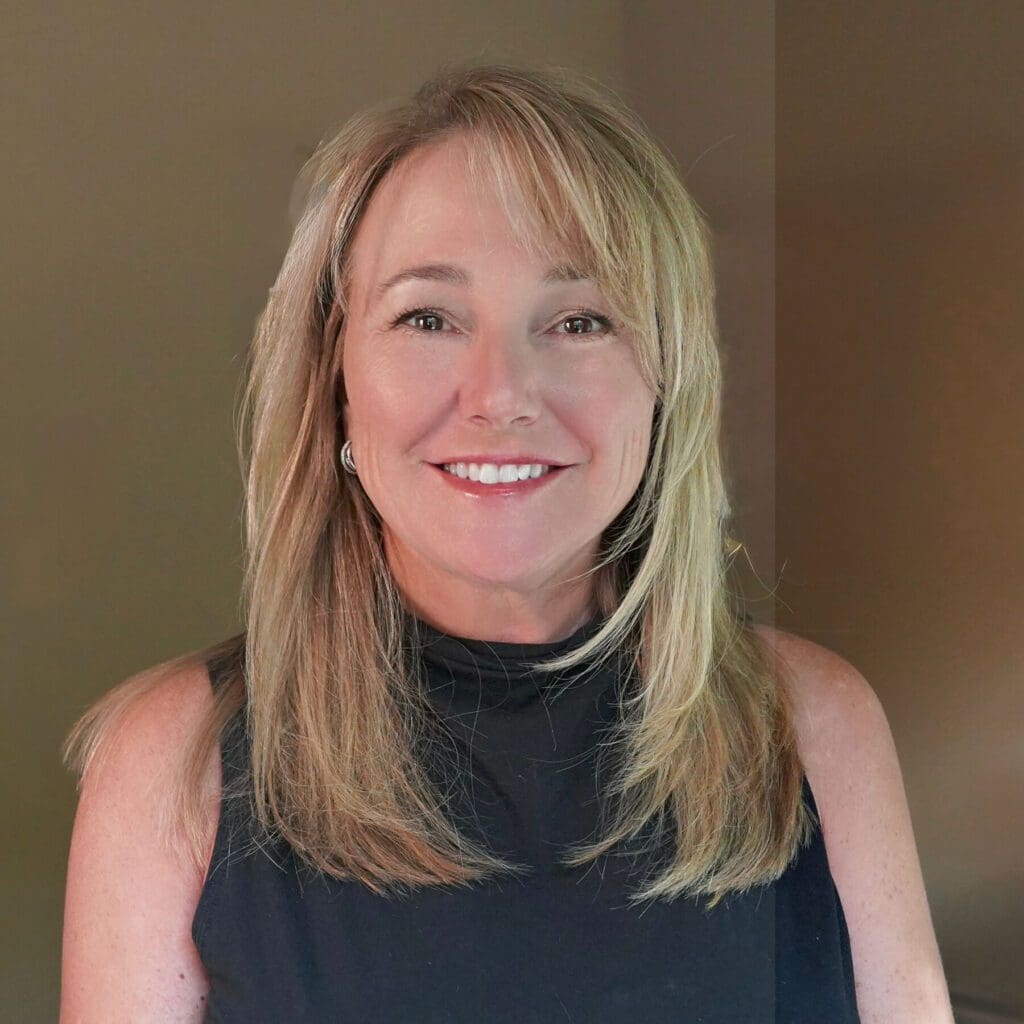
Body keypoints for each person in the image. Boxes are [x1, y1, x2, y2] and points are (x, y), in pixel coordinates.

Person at [59, 60, 954, 1022]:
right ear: (336, 381)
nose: (501, 395)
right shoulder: (177, 762)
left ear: (667, 382)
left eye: (579, 319)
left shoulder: (813, 727)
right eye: (428, 317)